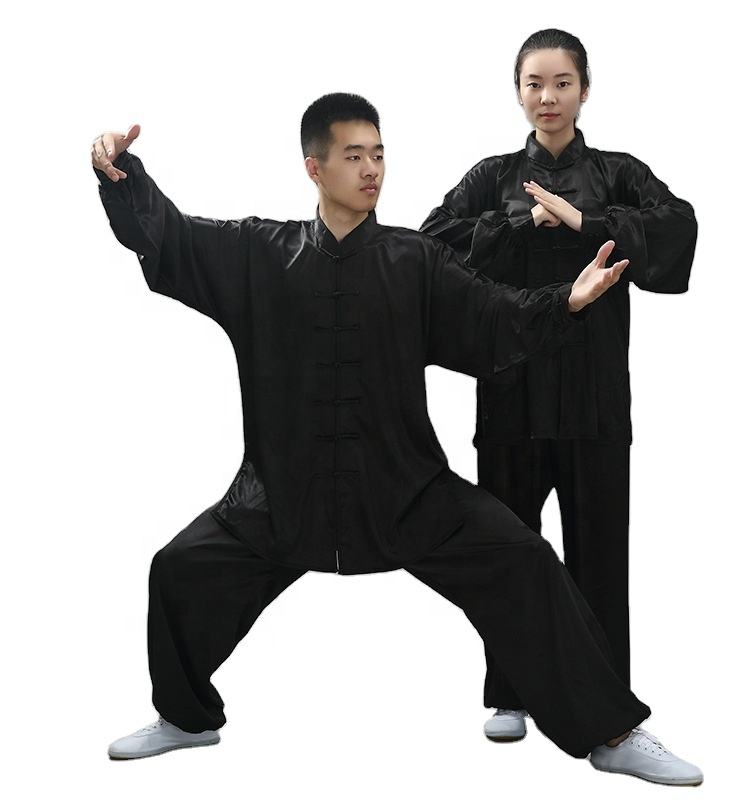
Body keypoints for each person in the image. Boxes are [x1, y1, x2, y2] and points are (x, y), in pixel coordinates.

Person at [91, 93, 702, 785]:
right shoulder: (257, 253)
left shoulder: (414, 260)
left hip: (407, 495)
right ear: (314, 168)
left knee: (526, 562)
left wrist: (567, 300)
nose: (371, 169)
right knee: (177, 570)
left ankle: (612, 733)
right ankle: (185, 718)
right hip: (282, 498)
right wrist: (123, 175)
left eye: (379, 154)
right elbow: (172, 238)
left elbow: (493, 317)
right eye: (354, 156)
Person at [420, 29, 697, 744]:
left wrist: (585, 220)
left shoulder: (618, 174)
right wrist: (519, 220)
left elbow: (679, 226)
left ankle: (609, 713)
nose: (548, 97)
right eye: (534, 83)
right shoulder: (491, 177)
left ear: (584, 89)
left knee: (599, 558)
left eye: (562, 83)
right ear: (517, 92)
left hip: (594, 396)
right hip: (510, 394)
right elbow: (430, 245)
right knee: (508, 551)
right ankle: (510, 693)